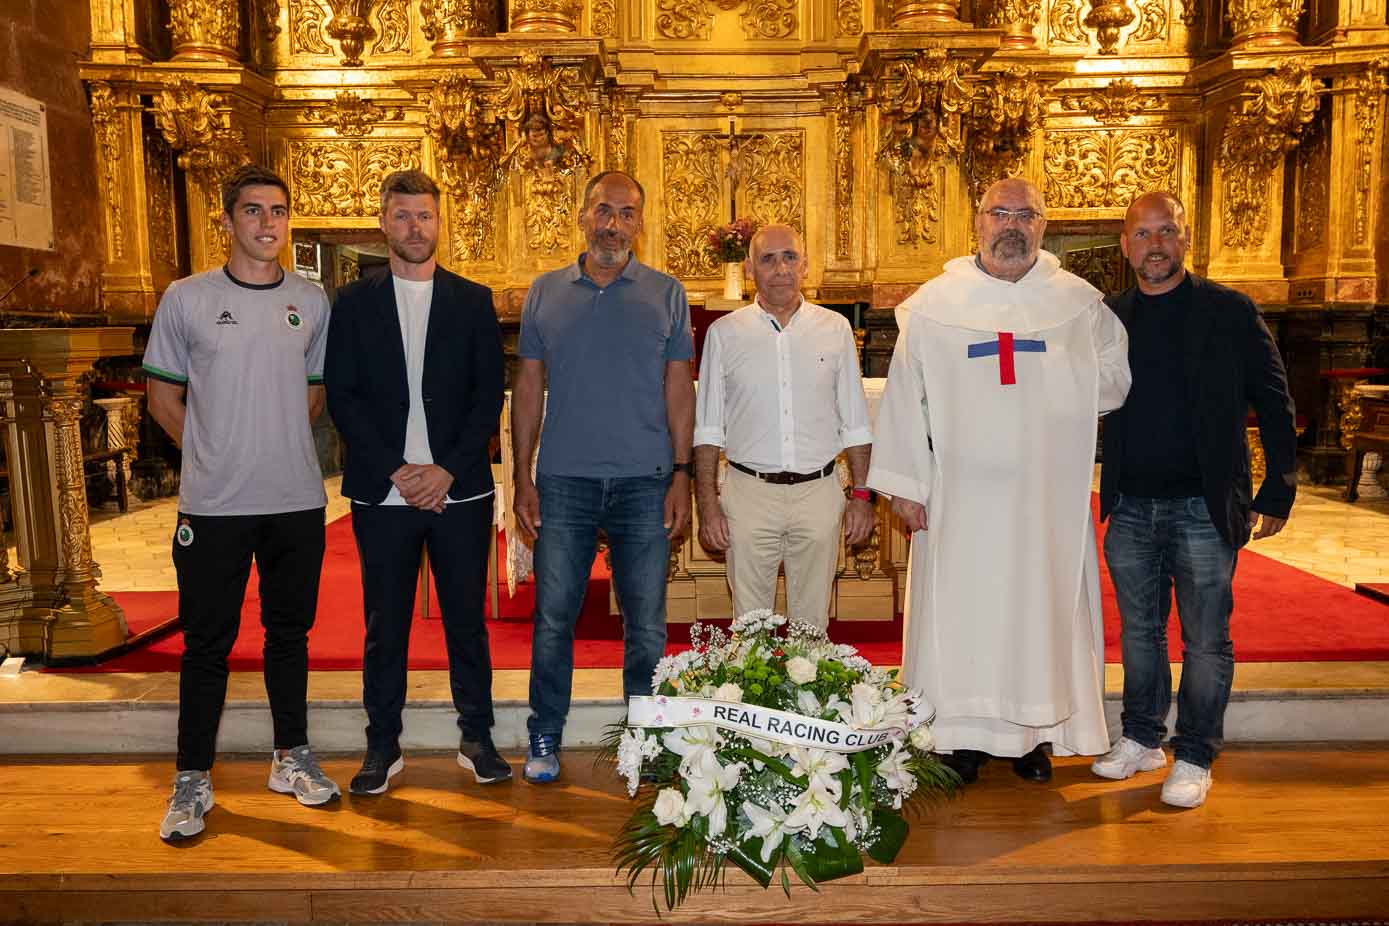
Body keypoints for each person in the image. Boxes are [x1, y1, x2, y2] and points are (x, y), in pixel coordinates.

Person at [867, 178, 1131, 786]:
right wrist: (906, 484)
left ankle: (1032, 739)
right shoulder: (935, 305)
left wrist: (1065, 389)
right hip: (960, 499)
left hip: (1045, 499)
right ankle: (960, 739)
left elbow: (1115, 381)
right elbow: (905, 398)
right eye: (1000, 213)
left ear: (1044, 225)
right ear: (978, 222)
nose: (1012, 225)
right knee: (963, 613)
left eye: (1026, 215)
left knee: (1038, 609)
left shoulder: (1078, 304)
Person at [145, 164, 339, 842]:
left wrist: (272, 441)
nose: (267, 223)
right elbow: (163, 399)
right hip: (214, 505)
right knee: (207, 644)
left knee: (289, 635)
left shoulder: (311, 301)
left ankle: (290, 756)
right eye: (253, 211)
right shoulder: (186, 298)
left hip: (294, 500)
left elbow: (312, 395)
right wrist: (211, 450)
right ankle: (192, 778)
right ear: (225, 221)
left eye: (278, 211)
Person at [1091, 191, 1296, 808]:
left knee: (1206, 639)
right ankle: (1142, 738)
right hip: (1130, 503)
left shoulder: (1228, 310)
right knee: (1140, 634)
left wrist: (1279, 488)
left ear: (1185, 239)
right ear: (1126, 245)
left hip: (1204, 506)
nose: (1154, 245)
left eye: (1166, 232)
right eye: (1142, 234)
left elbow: (1275, 398)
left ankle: (1197, 753)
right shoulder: (1108, 315)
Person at [324, 169, 509, 794]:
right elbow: (343, 397)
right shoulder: (352, 303)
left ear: (439, 222)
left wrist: (446, 468)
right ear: (384, 223)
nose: (413, 227)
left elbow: (488, 398)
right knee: (385, 623)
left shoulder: (471, 299)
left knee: (465, 620)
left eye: (424, 216)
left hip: (459, 489)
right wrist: (397, 470)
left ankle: (477, 737)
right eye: (401, 216)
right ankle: (382, 746)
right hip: (384, 492)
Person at [511, 170, 695, 784]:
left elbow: (678, 388)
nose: (613, 222)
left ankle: (645, 736)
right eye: (603, 210)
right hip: (565, 479)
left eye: (626, 212)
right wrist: (523, 474)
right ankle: (545, 731)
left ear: (640, 222)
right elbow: (530, 384)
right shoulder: (544, 293)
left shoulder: (667, 293)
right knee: (554, 616)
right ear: (583, 215)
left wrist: (681, 474)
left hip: (645, 478)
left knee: (646, 622)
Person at [693, 224, 874, 627]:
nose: (780, 268)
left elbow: (856, 424)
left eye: (789, 257)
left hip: (819, 492)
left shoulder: (835, 329)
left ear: (805, 265)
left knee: (812, 630)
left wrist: (862, 497)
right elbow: (706, 430)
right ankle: (748, 693)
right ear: (750, 268)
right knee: (750, 627)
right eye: (768, 259)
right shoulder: (725, 334)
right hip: (748, 494)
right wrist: (707, 505)